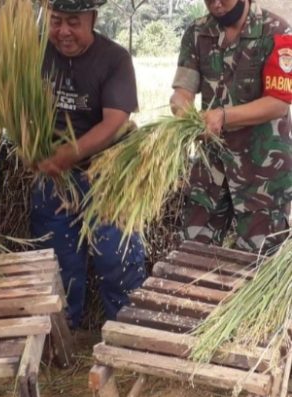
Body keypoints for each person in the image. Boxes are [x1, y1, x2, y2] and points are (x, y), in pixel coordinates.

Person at [32, 0, 147, 329]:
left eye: (73, 22)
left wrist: (69, 154)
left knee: (117, 256)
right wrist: (32, 147)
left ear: (92, 19)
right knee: (57, 257)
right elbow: (16, 106)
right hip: (53, 178)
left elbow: (114, 122)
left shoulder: (114, 59)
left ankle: (125, 332)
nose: (63, 31)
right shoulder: (34, 55)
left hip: (107, 174)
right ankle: (62, 335)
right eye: (56, 22)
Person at [170, 0, 292, 254]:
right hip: (211, 166)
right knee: (191, 251)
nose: (215, 3)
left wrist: (224, 117)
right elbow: (183, 92)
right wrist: (183, 111)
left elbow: (279, 102)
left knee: (260, 260)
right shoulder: (197, 32)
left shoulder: (277, 31)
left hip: (262, 173)